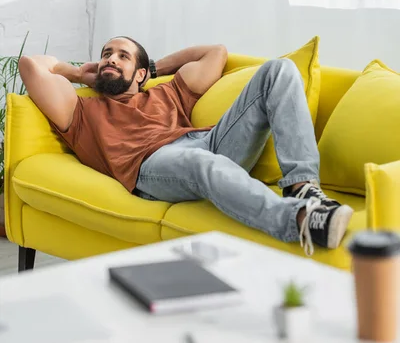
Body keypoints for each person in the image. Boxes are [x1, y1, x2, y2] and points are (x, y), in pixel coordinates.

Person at [18, 36, 353, 256]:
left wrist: (152, 70)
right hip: (152, 166)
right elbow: (30, 66)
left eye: (122, 56)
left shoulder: (167, 91)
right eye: (106, 55)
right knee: (201, 163)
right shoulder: (81, 111)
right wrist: (77, 74)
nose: (111, 60)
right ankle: (298, 220)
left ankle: (302, 188)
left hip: (208, 142)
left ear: (140, 74)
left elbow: (215, 53)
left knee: (279, 70)